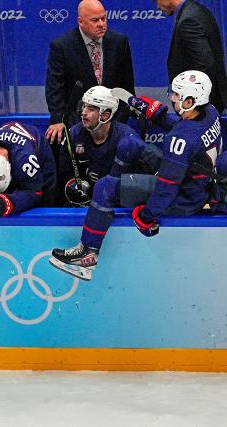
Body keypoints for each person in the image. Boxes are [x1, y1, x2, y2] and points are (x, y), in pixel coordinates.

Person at [49, 70, 222, 281]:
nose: (172, 98)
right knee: (130, 144)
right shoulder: (210, 112)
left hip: (183, 197)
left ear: (190, 100)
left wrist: (147, 216)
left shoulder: (180, 141)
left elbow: (167, 188)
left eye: (177, 95)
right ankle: (109, 203)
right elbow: (183, 127)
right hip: (190, 178)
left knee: (105, 187)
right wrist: (153, 113)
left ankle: (88, 253)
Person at [45, 0, 135, 145]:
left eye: (103, 18)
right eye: (95, 20)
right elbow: (55, 88)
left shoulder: (119, 42)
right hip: (77, 118)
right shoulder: (62, 46)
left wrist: (120, 119)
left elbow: (126, 86)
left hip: (113, 119)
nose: (101, 24)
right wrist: (58, 120)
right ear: (81, 22)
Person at [57, 86, 142, 206]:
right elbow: (65, 172)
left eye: (91, 109)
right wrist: (73, 185)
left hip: (118, 204)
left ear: (105, 115)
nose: (83, 113)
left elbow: (136, 182)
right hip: (85, 202)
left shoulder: (128, 138)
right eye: (83, 106)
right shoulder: (74, 135)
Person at [155, 0, 227, 113]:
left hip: (201, 107)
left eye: (156, 1)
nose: (158, 7)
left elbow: (204, 64)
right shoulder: (198, 10)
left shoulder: (188, 19)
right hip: (210, 102)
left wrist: (191, 103)